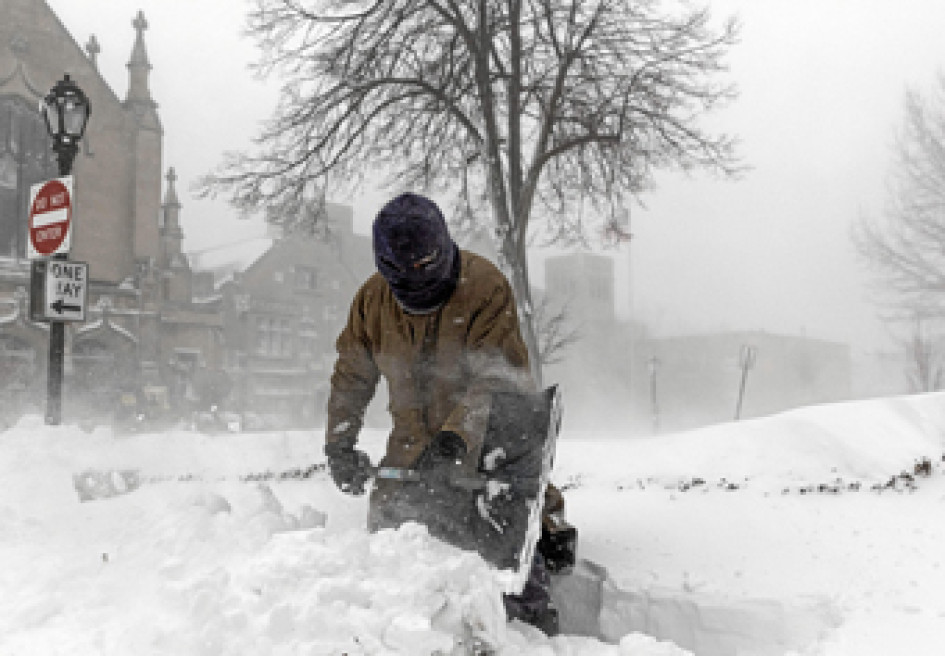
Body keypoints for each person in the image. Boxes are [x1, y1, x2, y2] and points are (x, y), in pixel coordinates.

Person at [323, 192, 561, 635]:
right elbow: (351, 375)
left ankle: (529, 628)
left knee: (504, 552)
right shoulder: (372, 301)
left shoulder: (484, 287)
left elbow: (499, 377)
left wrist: (456, 440)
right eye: (407, 274)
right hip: (410, 451)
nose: (419, 283)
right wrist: (339, 443)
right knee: (393, 553)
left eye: (426, 270)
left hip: (485, 446)